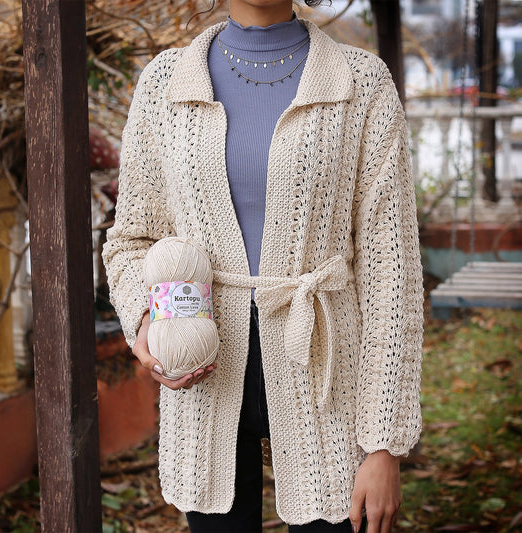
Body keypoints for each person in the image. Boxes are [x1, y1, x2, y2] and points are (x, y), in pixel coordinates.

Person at [102, 1, 424, 532]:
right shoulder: (165, 82)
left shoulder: (361, 81)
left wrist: (383, 445)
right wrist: (145, 321)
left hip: (329, 378)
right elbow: (133, 238)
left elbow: (392, 274)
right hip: (202, 379)